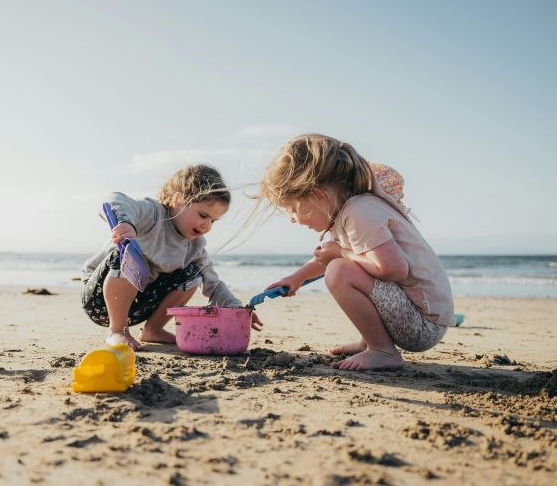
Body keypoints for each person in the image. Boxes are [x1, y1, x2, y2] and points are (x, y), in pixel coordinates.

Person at [258, 134, 454, 370]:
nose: (292, 219)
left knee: (339, 271)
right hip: (413, 316)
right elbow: (328, 257)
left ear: (318, 196)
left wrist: (341, 253)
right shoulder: (348, 211)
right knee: (339, 265)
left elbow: (393, 269)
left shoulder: (360, 212)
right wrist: (297, 278)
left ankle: (382, 350)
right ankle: (371, 340)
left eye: (292, 208)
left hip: (423, 324)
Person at [82, 164, 262, 350]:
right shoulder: (152, 214)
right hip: (100, 299)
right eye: (203, 215)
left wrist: (237, 310)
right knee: (127, 254)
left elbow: (214, 286)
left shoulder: (195, 247)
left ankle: (153, 329)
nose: (207, 226)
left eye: (213, 221)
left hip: (139, 305)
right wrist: (125, 223)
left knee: (194, 274)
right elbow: (114, 199)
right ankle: (117, 330)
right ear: (178, 200)